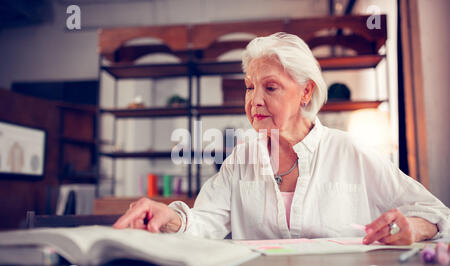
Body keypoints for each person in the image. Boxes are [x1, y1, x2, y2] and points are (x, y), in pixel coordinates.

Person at [114, 32, 449, 245]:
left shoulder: (350, 151)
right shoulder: (241, 160)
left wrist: (414, 229)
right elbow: (205, 222)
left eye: (270, 87)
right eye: (249, 87)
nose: (254, 100)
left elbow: (438, 215)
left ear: (306, 92)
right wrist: (169, 216)